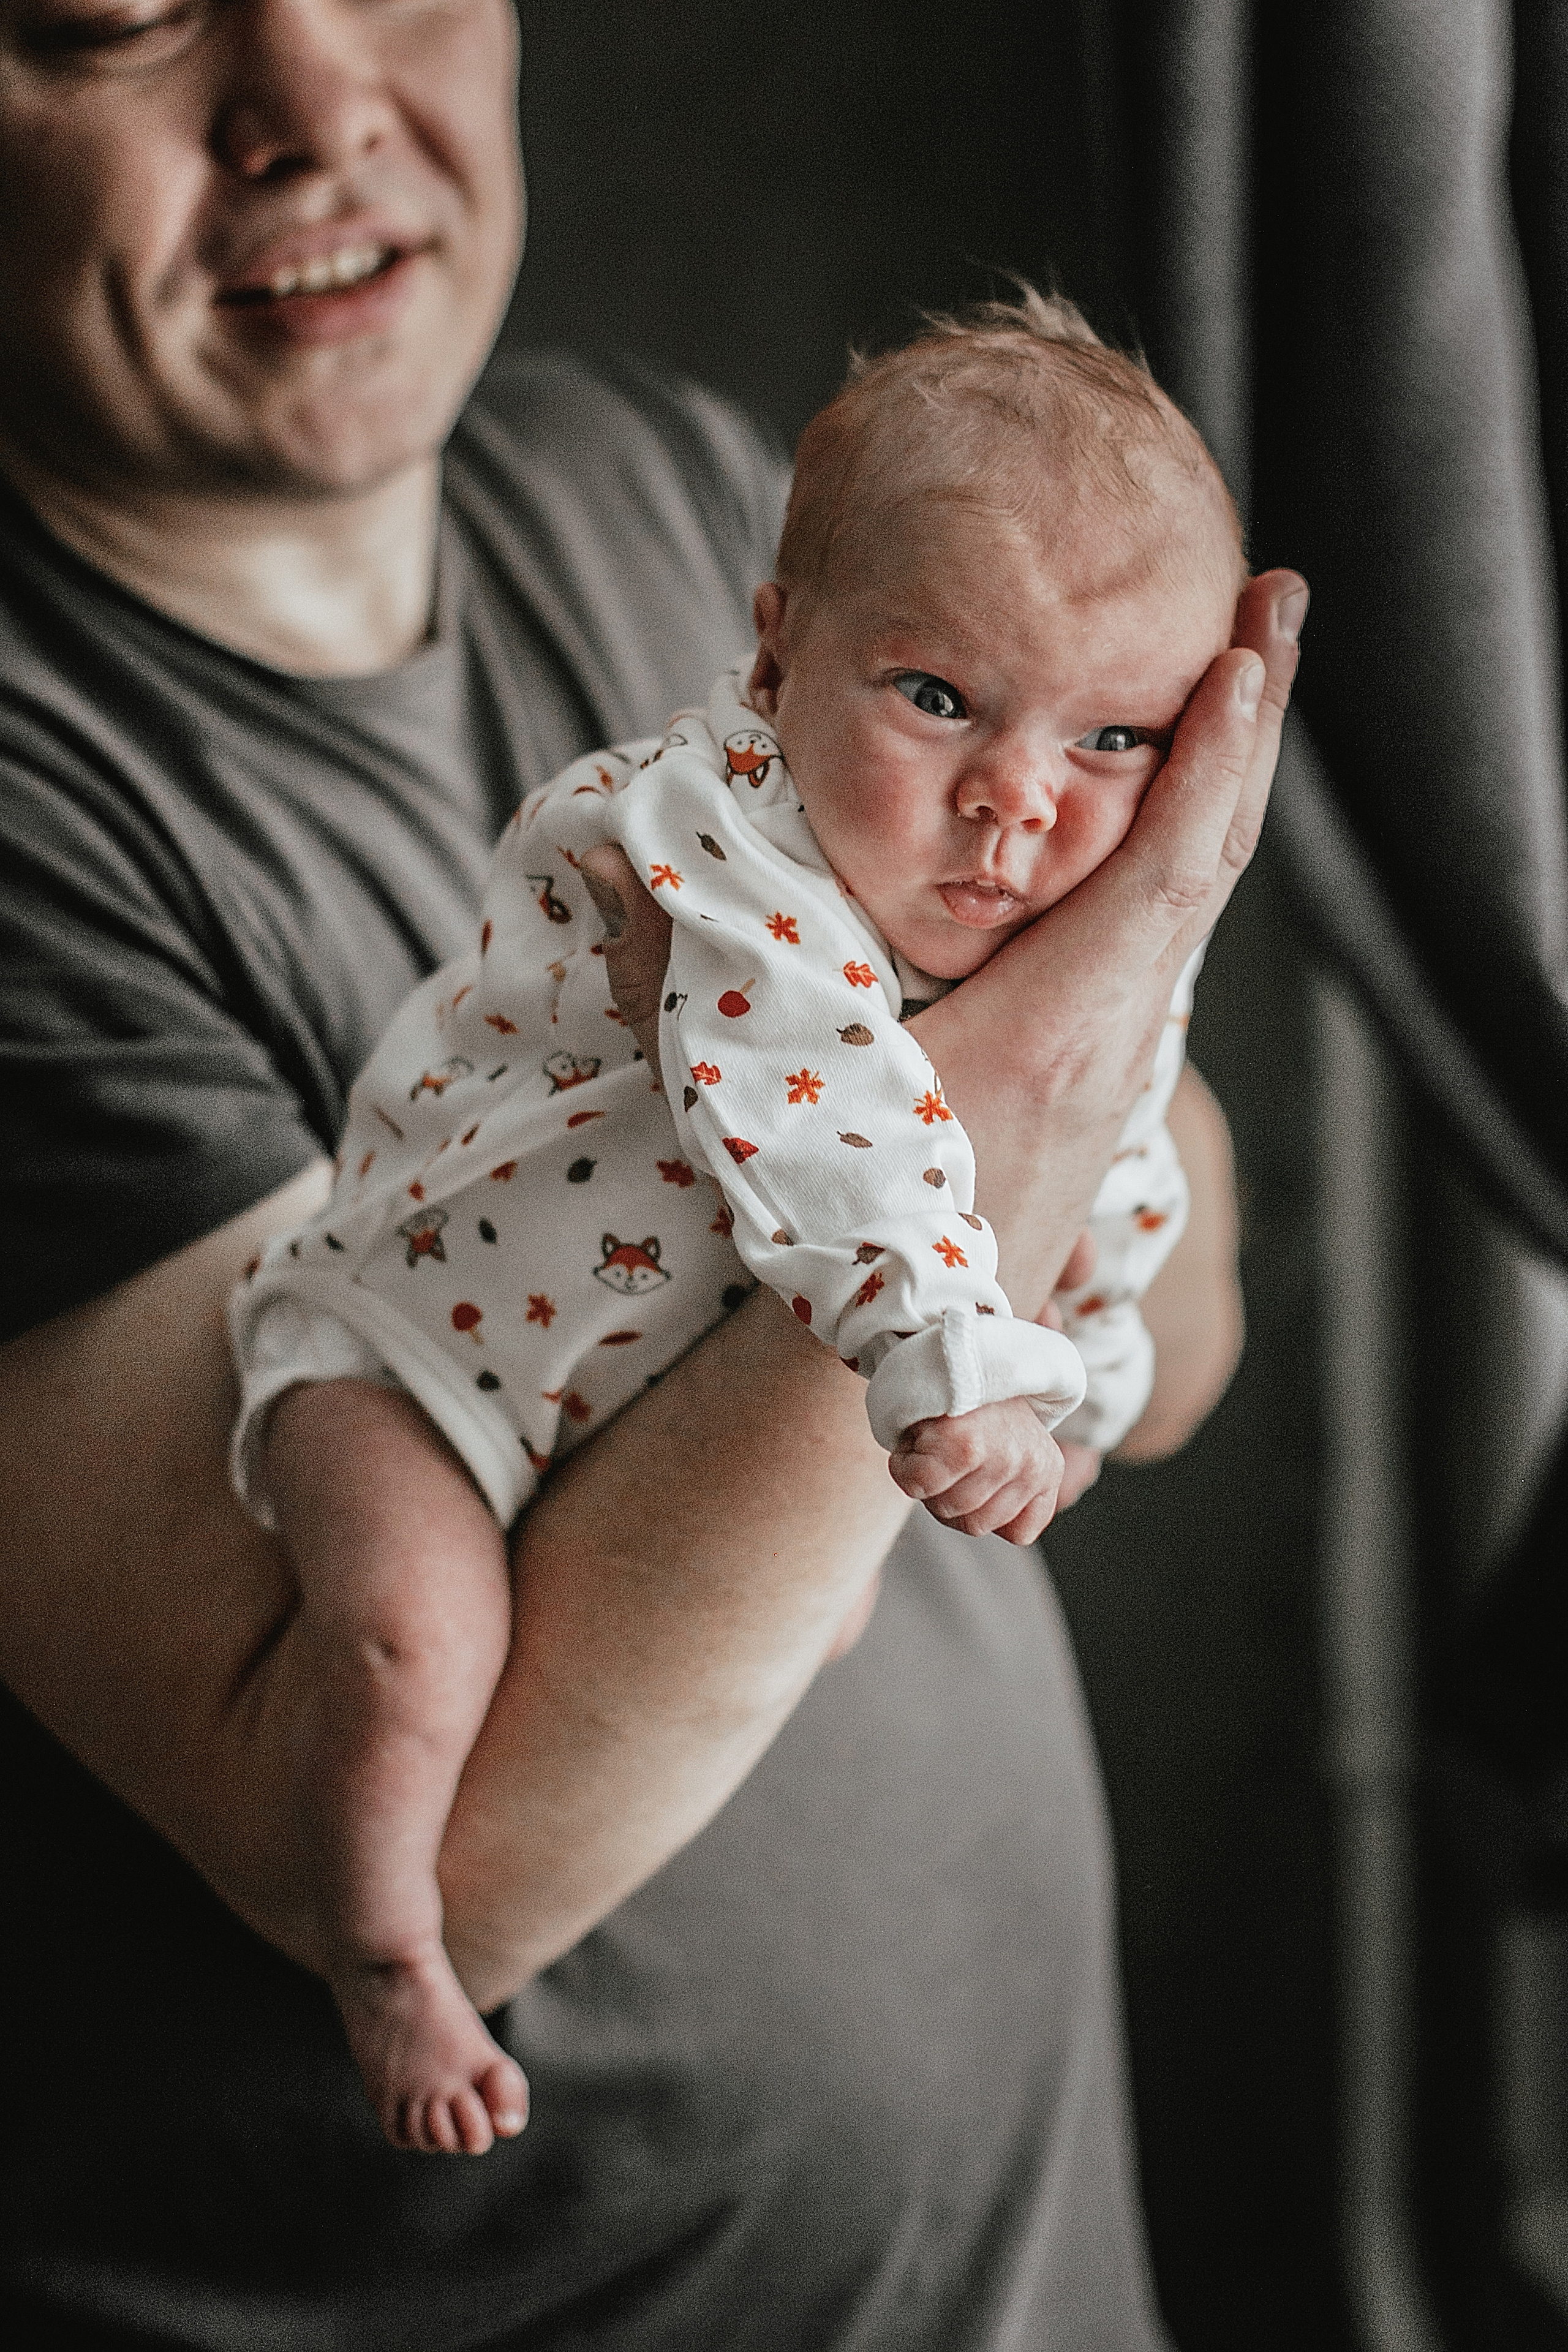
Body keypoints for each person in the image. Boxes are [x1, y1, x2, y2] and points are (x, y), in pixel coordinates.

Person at [0, 0, 1305, 2343]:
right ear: (787, 661)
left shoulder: (708, 489)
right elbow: (443, 1855)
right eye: (117, 17)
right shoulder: (44, 787)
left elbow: (1179, 1341)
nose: (317, 106)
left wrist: (1014, 1113)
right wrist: (1058, 1028)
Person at [226, 293, 1240, 2158]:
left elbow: (1129, 1164)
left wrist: (1086, 1374)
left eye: (1115, 736)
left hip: (646, 1411)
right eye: (938, 697)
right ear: (779, 655)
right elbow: (823, 1119)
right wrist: (962, 1366)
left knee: (815, 1611)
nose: (1017, 799)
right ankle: (382, 1955)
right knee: (412, 1641)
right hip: (417, 1359)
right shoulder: (719, 843)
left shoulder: (1070, 915)